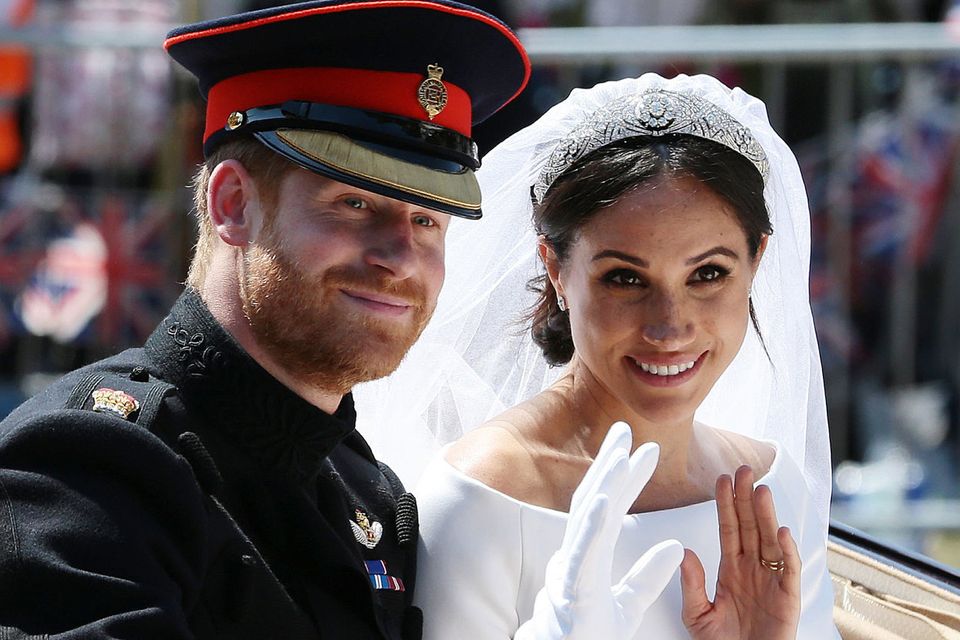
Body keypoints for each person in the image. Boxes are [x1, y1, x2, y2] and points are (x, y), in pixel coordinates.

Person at [0, 1, 529, 638]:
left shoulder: (371, 494)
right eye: (355, 202)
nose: (400, 257)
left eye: (427, 220)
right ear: (232, 204)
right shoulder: (91, 465)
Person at [355, 73, 840, 638]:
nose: (670, 326)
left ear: (756, 261)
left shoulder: (771, 490)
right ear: (556, 269)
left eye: (708, 273)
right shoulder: (481, 498)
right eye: (625, 278)